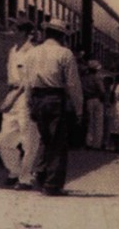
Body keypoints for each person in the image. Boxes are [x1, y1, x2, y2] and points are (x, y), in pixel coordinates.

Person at [23, 18, 83, 196]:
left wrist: (29, 103)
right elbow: (73, 84)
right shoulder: (65, 54)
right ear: (62, 35)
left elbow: (27, 82)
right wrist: (79, 108)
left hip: (36, 98)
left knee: (44, 139)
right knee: (57, 143)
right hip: (55, 98)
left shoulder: (32, 53)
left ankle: (39, 177)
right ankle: (52, 185)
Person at [0, 18, 40, 190]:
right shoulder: (13, 51)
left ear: (24, 33)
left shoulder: (32, 53)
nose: (11, 33)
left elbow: (28, 80)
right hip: (13, 93)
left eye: (15, 30)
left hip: (27, 96)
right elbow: (11, 79)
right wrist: (8, 97)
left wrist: (13, 98)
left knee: (29, 139)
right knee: (4, 139)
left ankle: (25, 178)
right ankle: (15, 171)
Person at [82, 59, 106, 149]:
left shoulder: (84, 78)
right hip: (97, 99)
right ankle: (97, 144)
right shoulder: (97, 77)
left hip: (87, 99)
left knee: (89, 122)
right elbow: (102, 90)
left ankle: (88, 142)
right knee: (98, 122)